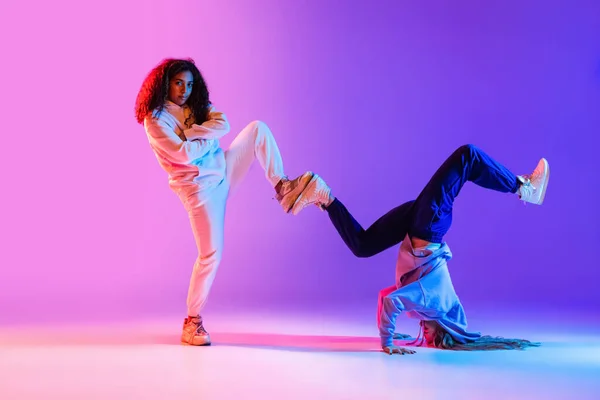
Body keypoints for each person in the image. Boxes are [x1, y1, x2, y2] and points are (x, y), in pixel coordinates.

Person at [290, 144, 547, 354]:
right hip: (428, 225)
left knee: (363, 245)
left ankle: (324, 196)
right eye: (434, 337)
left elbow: (384, 297)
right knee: (467, 156)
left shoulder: (424, 308)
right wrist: (387, 342)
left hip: (415, 225)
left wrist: (394, 331)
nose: (425, 335)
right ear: (445, 329)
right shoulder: (432, 302)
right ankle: (525, 188)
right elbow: (392, 302)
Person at [134, 58, 314, 346]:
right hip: (200, 191)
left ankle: (284, 187)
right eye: (178, 83)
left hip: (225, 172)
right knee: (211, 256)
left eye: (189, 84)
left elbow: (224, 124)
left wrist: (192, 133)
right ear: (164, 83)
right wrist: (204, 137)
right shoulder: (154, 119)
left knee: (257, 129)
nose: (184, 90)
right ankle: (192, 322)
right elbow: (182, 155)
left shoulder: (195, 104)